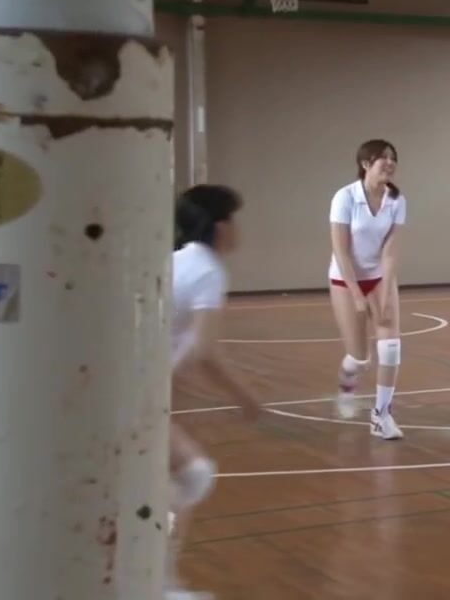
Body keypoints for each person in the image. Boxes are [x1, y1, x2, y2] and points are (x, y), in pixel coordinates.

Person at [168, 184, 260, 599]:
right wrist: (245, 397)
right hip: (140, 398)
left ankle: (161, 581)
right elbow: (204, 353)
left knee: (178, 478)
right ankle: (159, 585)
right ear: (221, 227)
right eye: (234, 220)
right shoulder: (207, 271)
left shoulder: (176, 260)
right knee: (192, 475)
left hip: (145, 395)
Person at [329, 139, 407, 440]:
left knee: (391, 346)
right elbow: (341, 250)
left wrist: (384, 296)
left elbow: (390, 253)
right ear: (365, 164)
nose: (389, 163)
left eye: (393, 158)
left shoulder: (397, 200)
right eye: (382, 158)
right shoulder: (345, 197)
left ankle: (381, 415)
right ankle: (347, 381)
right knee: (360, 359)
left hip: (378, 276)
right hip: (345, 278)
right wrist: (357, 295)